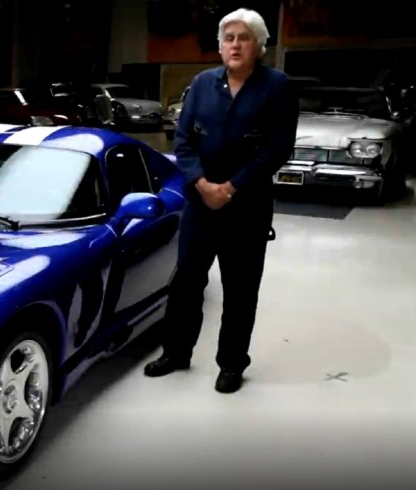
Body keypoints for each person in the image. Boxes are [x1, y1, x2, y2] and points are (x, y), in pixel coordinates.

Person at [143, 8, 299, 393]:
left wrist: (231, 187)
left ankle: (231, 363)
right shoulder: (201, 84)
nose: (234, 44)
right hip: (200, 205)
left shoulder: (277, 87)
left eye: (243, 37)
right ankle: (176, 353)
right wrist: (200, 183)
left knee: (240, 290)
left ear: (259, 46)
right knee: (185, 285)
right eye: (228, 38)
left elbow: (278, 148)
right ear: (220, 46)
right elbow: (183, 140)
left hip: (246, 207)